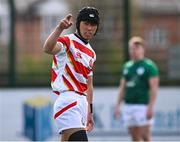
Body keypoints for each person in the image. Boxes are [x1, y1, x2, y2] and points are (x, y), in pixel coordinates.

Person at [43, 7, 100, 141]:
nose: (90, 28)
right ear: (78, 24)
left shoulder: (92, 53)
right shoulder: (68, 41)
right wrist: (59, 28)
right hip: (68, 101)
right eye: (86, 23)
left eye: (93, 24)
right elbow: (47, 48)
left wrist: (90, 111)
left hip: (81, 103)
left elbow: (89, 85)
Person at [114, 36, 159, 141]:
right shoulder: (127, 66)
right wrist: (117, 105)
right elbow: (122, 87)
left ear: (143, 49)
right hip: (128, 105)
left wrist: (150, 107)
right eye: (132, 48)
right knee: (134, 137)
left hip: (142, 106)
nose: (134, 50)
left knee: (145, 136)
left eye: (137, 47)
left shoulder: (149, 66)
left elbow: (154, 88)